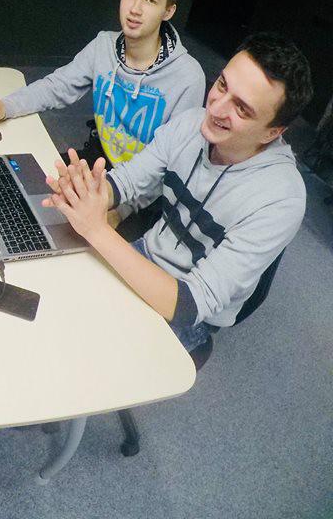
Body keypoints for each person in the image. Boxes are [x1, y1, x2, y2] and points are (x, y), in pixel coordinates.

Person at [42, 33, 312, 351]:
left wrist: (97, 229)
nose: (216, 108)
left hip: (187, 305)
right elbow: (127, 181)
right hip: (145, 252)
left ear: (273, 132)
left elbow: (189, 304)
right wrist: (86, 193)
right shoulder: (191, 124)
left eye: (241, 109)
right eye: (222, 85)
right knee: (56, 300)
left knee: (94, 352)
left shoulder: (281, 200)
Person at [0, 0, 206, 169]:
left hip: (142, 194)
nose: (135, 9)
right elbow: (56, 87)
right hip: (97, 164)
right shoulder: (104, 46)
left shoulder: (187, 78)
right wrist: (2, 108)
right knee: (8, 177)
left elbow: (172, 163)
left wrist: (114, 199)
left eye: (150, 0)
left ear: (168, 11)